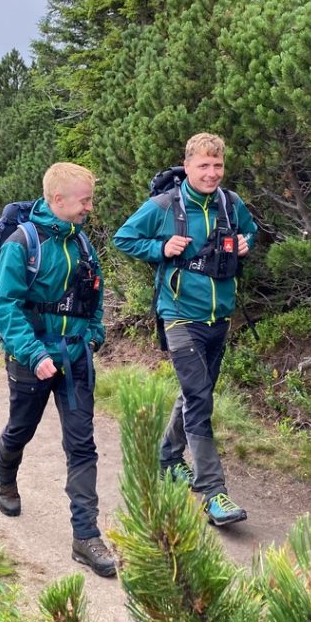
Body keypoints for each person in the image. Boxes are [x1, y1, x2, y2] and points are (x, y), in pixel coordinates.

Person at [113, 132, 258, 526]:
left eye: (218, 166)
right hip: (179, 314)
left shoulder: (231, 204)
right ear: (188, 165)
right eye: (203, 166)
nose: (211, 173)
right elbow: (124, 237)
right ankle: (215, 494)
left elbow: (251, 231)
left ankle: (167, 459)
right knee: (200, 399)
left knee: (197, 393)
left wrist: (245, 242)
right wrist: (160, 249)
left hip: (219, 316)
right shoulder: (164, 205)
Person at [0, 162, 116, 577]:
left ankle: (86, 537)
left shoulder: (82, 243)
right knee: (20, 430)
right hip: (33, 359)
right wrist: (33, 353)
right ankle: (4, 474)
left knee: (82, 446)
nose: (89, 208)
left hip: (76, 358)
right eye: (84, 200)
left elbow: (95, 292)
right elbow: (6, 307)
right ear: (57, 200)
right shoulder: (21, 243)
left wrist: (94, 335)